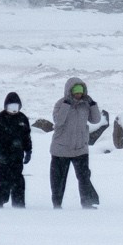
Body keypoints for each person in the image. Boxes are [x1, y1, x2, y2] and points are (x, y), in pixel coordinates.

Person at [47, 76, 108, 210]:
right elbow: (58, 121)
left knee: (84, 177)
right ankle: (57, 205)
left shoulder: (85, 104)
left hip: (80, 148)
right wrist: (67, 104)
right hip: (61, 149)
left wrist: (92, 104)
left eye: (81, 91)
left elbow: (96, 120)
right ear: (70, 91)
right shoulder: (60, 103)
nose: (79, 94)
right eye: (76, 91)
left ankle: (87, 204)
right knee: (58, 180)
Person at [0, 91, 33, 208]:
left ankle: (19, 204)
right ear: (6, 106)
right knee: (2, 178)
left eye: (16, 107)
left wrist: (28, 151)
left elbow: (27, 137)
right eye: (11, 107)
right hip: (1, 155)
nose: (13, 110)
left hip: (17, 155)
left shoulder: (22, 119)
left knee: (18, 179)